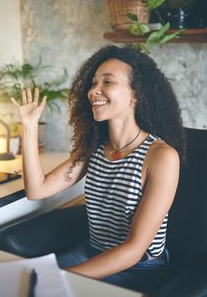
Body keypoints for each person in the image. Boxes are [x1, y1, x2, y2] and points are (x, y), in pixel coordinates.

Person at [11, 45, 186, 295]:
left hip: (140, 268)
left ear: (136, 94)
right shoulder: (93, 149)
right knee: (20, 284)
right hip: (93, 252)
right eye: (93, 83)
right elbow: (37, 190)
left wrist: (60, 279)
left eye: (108, 82)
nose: (94, 91)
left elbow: (134, 250)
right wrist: (28, 126)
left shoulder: (161, 157)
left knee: (44, 290)